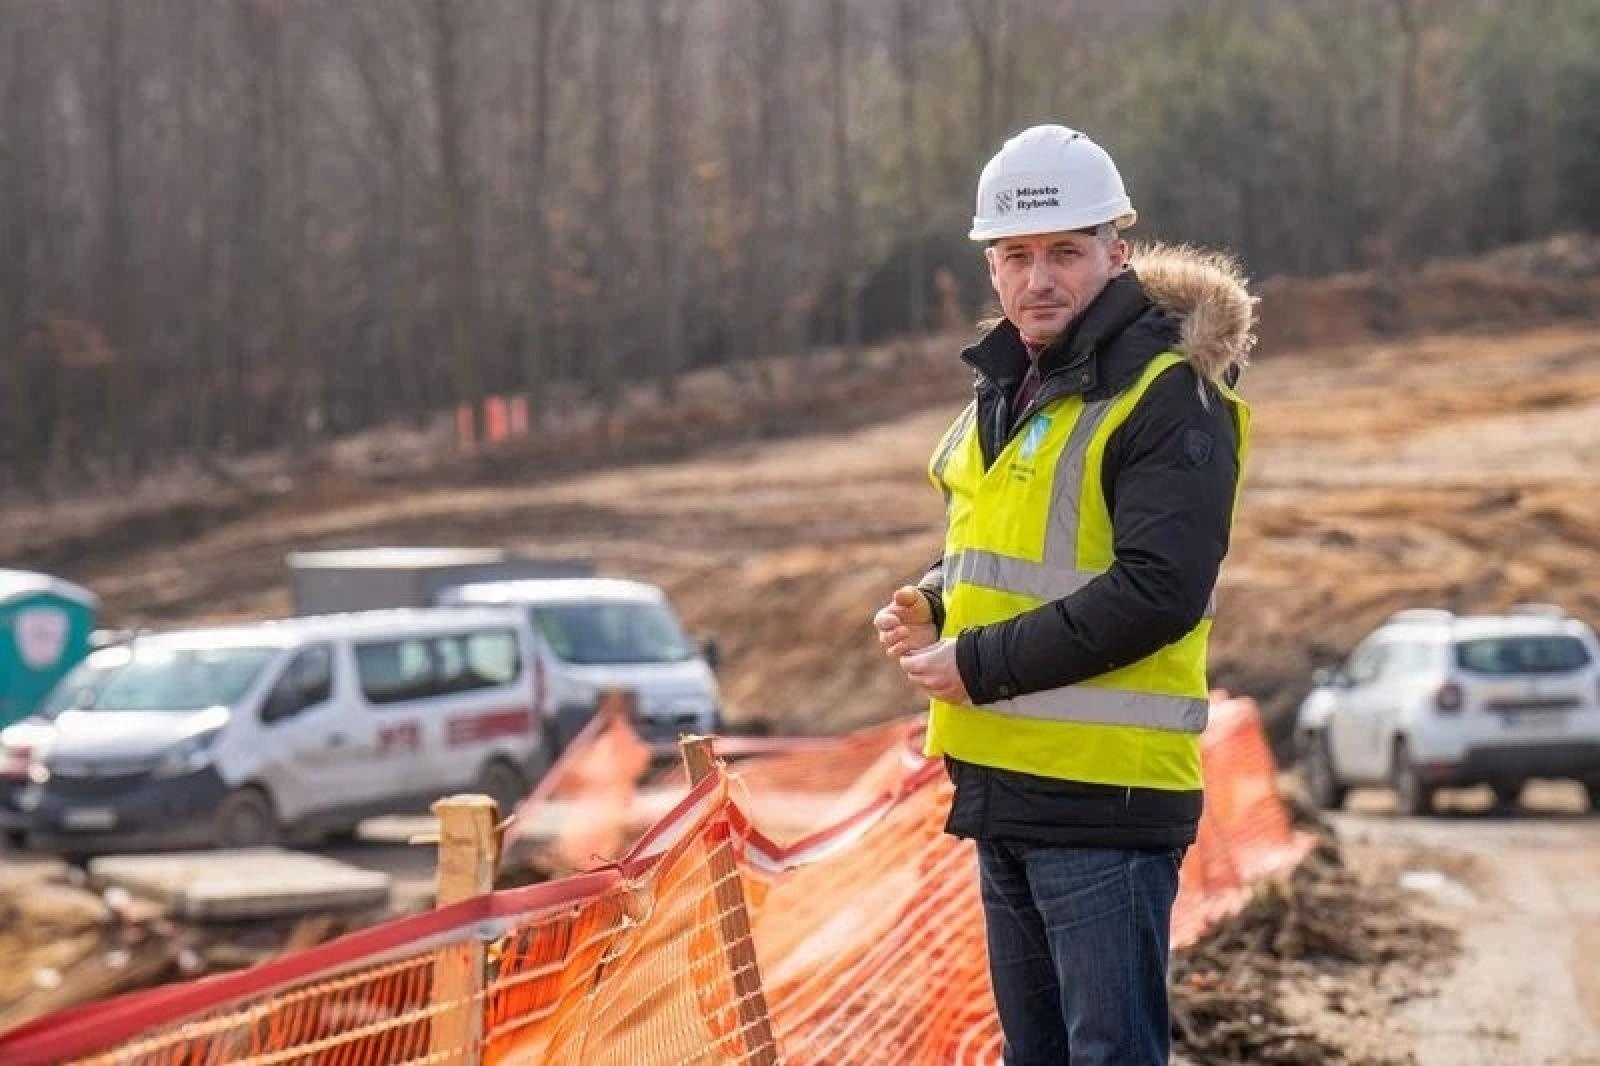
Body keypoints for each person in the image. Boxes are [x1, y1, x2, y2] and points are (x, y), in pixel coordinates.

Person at [873, 124, 1254, 1065]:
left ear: (1117, 252)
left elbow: (1159, 589)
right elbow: (1008, 550)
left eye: (1065, 254)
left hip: (1105, 799)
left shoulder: (1168, 394)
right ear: (991, 266)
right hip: (1003, 782)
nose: (1039, 280)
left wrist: (978, 661)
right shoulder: (1007, 389)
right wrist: (936, 600)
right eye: (1016, 256)